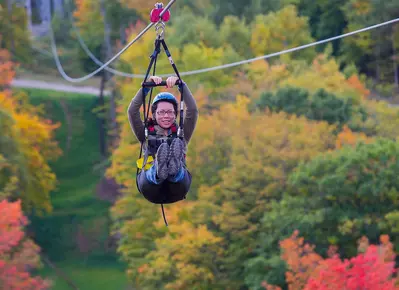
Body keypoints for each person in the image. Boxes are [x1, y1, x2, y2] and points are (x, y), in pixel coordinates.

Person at [127, 75, 198, 204]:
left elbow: (192, 111)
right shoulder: (144, 133)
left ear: (175, 114)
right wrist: (146, 87)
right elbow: (132, 112)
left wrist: (182, 86)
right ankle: (159, 169)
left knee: (177, 169)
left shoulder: (182, 133)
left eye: (170, 112)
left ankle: (174, 168)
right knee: (152, 171)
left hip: (177, 187)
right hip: (150, 186)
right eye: (162, 112)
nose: (166, 116)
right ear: (154, 114)